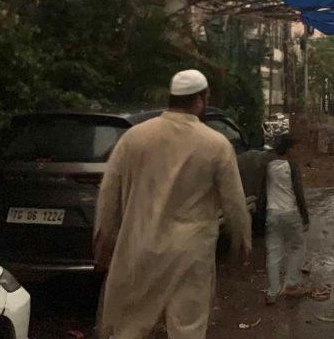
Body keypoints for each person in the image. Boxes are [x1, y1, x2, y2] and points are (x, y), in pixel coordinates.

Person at [93, 69, 252, 339]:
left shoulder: (133, 138)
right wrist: (242, 243)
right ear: (201, 100)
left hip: (139, 248)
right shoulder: (216, 144)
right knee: (187, 328)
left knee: (129, 327)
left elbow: (108, 194)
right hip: (189, 253)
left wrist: (103, 240)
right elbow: (235, 204)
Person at [260, 133, 310, 305]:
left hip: (272, 212)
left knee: (273, 251)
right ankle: (291, 284)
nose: (298, 152)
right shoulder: (292, 166)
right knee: (298, 245)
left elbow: (262, 193)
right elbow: (298, 193)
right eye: (296, 148)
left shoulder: (269, 166)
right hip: (290, 212)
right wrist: (305, 217)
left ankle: (272, 292)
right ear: (289, 149)